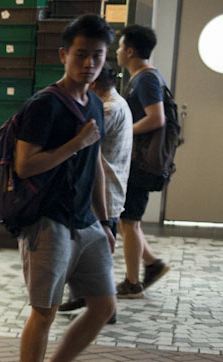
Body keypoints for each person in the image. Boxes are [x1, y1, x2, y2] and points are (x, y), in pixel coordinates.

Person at [9, 14, 116, 362]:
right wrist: (75, 143)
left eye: (97, 56)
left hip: (87, 222)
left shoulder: (95, 105)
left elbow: (98, 167)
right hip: (47, 221)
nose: (89, 63)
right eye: (81, 54)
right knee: (44, 311)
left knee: (104, 306)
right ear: (63, 55)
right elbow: (24, 166)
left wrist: (107, 222)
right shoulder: (45, 105)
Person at [58, 63, 131, 322]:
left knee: (100, 251)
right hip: (112, 187)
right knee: (97, 249)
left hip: (105, 190)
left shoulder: (107, 109)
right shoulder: (118, 101)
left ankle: (102, 308)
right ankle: (89, 299)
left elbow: (88, 146)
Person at [115, 24, 171, 299]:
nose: (117, 51)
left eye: (120, 46)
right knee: (127, 221)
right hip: (136, 161)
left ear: (130, 50)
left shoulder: (146, 79)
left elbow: (156, 118)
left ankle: (132, 282)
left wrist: (125, 129)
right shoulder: (142, 77)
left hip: (140, 163)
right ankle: (152, 264)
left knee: (130, 222)